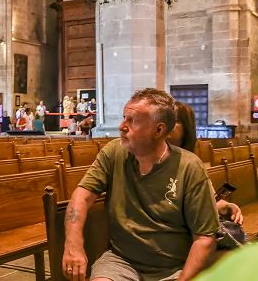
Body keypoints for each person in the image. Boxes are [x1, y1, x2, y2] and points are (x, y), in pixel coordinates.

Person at [62, 88, 219, 281]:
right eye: (123, 118)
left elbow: (204, 238)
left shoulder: (189, 166)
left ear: (159, 130)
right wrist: (73, 244)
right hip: (121, 261)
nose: (121, 126)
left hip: (174, 268)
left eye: (132, 121)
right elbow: (82, 196)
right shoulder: (114, 152)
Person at [168, 101, 243, 226]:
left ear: (187, 127)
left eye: (174, 120)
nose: (165, 124)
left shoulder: (192, 163)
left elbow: (209, 199)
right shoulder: (148, 160)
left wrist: (227, 207)